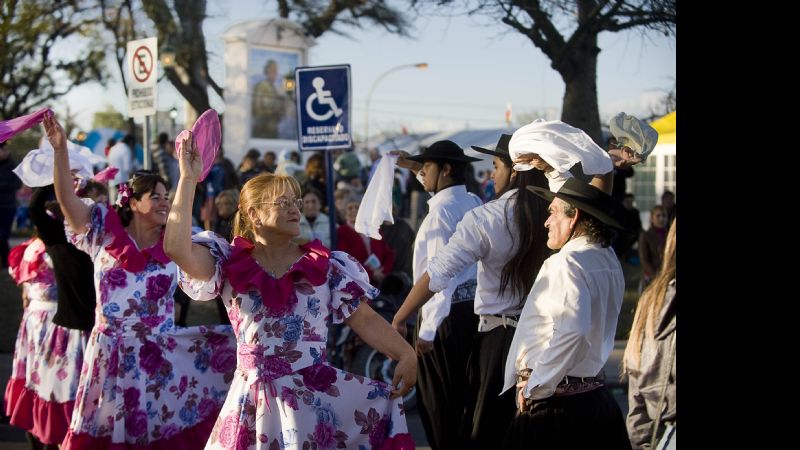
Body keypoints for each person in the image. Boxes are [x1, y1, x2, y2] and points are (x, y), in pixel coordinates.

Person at [164, 132, 417, 449]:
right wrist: (188, 179)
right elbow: (175, 248)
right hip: (250, 404)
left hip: (312, 403)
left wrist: (405, 353)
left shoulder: (326, 267)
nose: (295, 208)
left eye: (296, 201)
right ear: (254, 214)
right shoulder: (226, 262)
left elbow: (364, 319)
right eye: (282, 202)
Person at [42, 115, 237, 449]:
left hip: (158, 354)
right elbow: (69, 206)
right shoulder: (103, 231)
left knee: (157, 432)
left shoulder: (177, 241)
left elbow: (220, 266)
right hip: (110, 353)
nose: (164, 202)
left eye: (166, 196)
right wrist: (60, 151)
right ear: (132, 202)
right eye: (156, 196)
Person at [392, 134, 552, 450]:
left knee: (467, 423)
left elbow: (439, 274)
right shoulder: (549, 214)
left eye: (495, 166)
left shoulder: (489, 215)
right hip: (540, 335)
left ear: (516, 170)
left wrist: (404, 318)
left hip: (495, 334)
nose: (491, 174)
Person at [501, 176, 632, 449]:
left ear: (574, 218)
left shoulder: (566, 261)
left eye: (553, 212)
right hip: (595, 401)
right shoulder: (608, 260)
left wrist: (538, 384)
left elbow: (573, 331)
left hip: (558, 408)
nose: (546, 221)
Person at [390, 139, 483, 450]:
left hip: (445, 318)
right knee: (462, 406)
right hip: (470, 313)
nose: (423, 172)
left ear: (445, 169)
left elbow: (442, 277)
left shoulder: (441, 213)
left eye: (428, 166)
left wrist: (426, 330)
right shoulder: (470, 201)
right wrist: (417, 166)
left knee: (440, 411)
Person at [4, 237, 86, 449]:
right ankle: (44, 433)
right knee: (49, 388)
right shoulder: (55, 247)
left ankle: (42, 433)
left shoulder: (33, 247)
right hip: (52, 324)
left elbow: (25, 294)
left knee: (43, 386)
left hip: (40, 322)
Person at [624, 219, 676, 450]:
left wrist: (643, 442)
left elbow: (637, 383)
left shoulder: (652, 299)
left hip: (661, 435)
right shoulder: (653, 300)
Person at [335, 194, 395, 286]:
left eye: (357, 207)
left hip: (380, 282)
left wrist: (383, 272)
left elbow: (389, 254)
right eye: (350, 208)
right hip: (358, 283)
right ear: (344, 213)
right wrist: (371, 274)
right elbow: (346, 260)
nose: (354, 210)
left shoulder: (373, 228)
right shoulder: (343, 231)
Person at [1, 140, 22, 267]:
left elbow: (17, 183)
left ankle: (6, 262)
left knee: (3, 235)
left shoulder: (11, 166)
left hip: (7, 206)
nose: (4, 151)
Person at [251, 59, 285, 139]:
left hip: (272, 130)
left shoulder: (274, 88)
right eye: (273, 70)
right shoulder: (261, 86)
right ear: (267, 71)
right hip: (262, 130)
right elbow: (256, 108)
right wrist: (272, 112)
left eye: (276, 71)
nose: (275, 73)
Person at [639, 205, 668, 288]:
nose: (661, 219)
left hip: (669, 276)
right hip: (652, 278)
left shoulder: (671, 235)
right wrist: (657, 276)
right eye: (658, 216)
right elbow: (644, 259)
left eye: (664, 215)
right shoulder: (645, 236)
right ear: (652, 218)